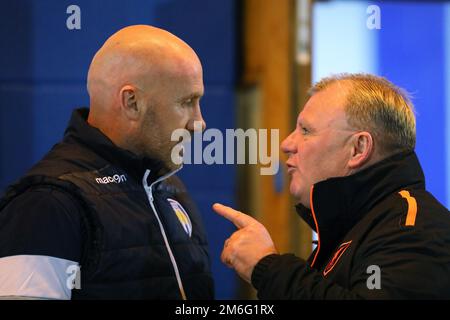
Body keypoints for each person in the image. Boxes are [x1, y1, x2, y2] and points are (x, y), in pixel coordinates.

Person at [0, 25, 213, 299]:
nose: (199, 122)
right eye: (186, 102)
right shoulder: (48, 204)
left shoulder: (167, 186)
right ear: (132, 102)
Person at [213, 73, 450, 299]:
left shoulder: (411, 230)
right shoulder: (361, 225)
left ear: (358, 149)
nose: (287, 143)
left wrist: (266, 266)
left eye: (306, 130)